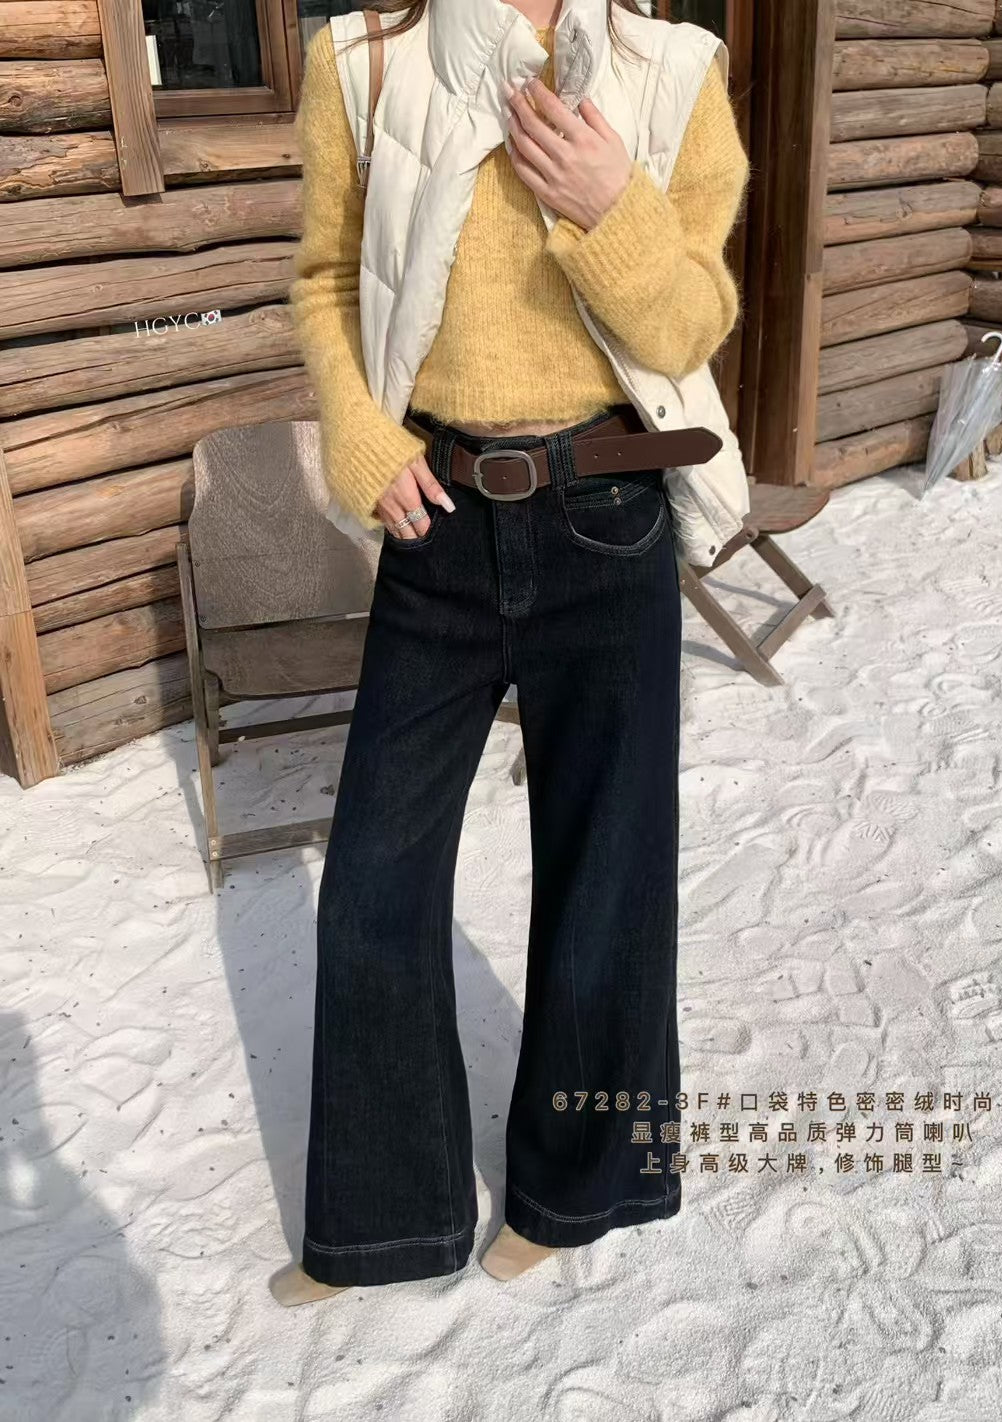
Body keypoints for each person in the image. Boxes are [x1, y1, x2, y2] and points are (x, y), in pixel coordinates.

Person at [272, 0, 749, 1303]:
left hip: (608, 513)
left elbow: (691, 326)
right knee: (372, 882)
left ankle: (577, 1188)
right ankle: (384, 1216)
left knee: (608, 877)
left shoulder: (673, 69)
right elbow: (325, 279)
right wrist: (362, 440)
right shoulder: (363, 61)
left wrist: (613, 207)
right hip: (435, 517)